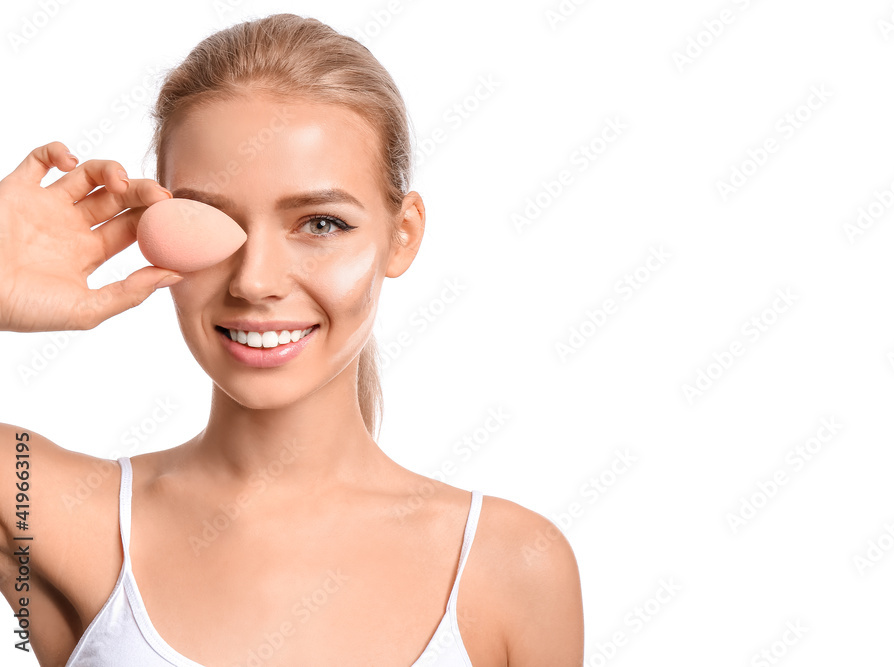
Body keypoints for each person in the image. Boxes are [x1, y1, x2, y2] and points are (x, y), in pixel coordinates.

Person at [0, 13, 584, 666]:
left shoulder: (511, 566)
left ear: (402, 235)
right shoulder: (42, 506)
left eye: (321, 223)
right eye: (209, 220)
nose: (255, 280)